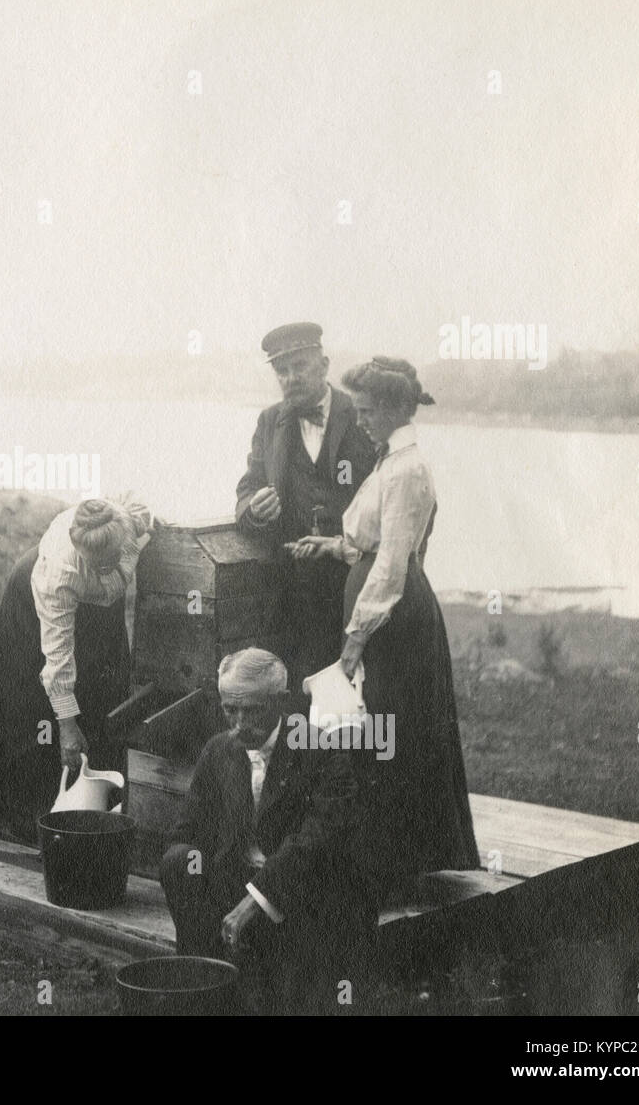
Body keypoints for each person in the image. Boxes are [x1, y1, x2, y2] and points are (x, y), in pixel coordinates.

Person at [290, 356, 480, 901]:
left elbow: (394, 564)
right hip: (388, 612)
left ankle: (397, 867)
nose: (362, 420)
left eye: (369, 411)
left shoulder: (408, 469)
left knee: (388, 734)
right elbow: (373, 541)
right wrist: (334, 546)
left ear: (397, 408)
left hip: (393, 621)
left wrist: (354, 645)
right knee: (378, 734)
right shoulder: (389, 461)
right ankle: (383, 860)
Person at [159, 648, 376, 1013]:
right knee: (178, 860)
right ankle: (204, 979)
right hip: (237, 883)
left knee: (288, 1000)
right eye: (230, 709)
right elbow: (185, 829)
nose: (240, 723)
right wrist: (207, 880)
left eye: (253, 710)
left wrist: (258, 898)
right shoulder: (218, 751)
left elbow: (315, 842)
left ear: (282, 701)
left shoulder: (318, 746)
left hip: (300, 890)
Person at [0, 495, 153, 838]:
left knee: (106, 689)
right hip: (34, 608)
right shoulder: (60, 572)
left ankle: (99, 806)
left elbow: (147, 521)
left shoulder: (128, 520)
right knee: (36, 711)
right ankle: (35, 814)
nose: (106, 569)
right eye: (97, 563)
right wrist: (68, 729)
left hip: (101, 608)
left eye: (112, 560)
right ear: (79, 548)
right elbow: (57, 661)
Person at [234, 322, 377, 688]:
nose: (290, 378)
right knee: (300, 694)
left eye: (299, 366)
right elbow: (247, 488)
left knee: (357, 693)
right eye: (281, 371)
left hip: (353, 584)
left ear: (324, 365)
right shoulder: (269, 421)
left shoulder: (361, 415)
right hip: (292, 592)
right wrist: (254, 509)